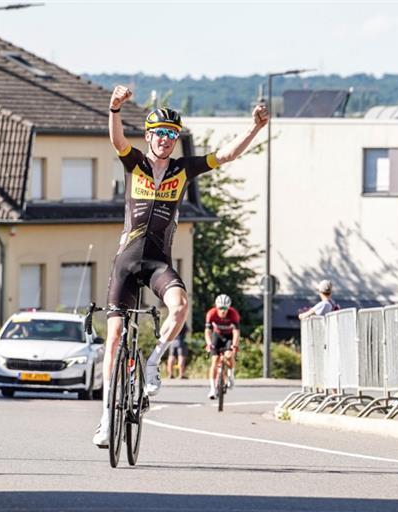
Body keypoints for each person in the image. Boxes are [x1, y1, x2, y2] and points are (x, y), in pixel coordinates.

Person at [92, 86, 268, 447]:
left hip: (158, 263)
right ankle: (106, 418)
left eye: (172, 135)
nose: (166, 141)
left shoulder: (183, 169)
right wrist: (113, 108)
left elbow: (227, 154)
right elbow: (116, 139)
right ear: (149, 136)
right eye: (160, 134)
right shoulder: (135, 162)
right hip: (126, 263)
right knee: (113, 340)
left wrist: (255, 129)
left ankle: (155, 360)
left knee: (181, 305)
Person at [204, 294, 240, 399]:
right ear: (216, 307)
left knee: (229, 355)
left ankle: (231, 375)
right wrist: (209, 343)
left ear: (229, 308)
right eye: (220, 308)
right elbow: (207, 331)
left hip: (229, 337)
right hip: (217, 336)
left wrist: (234, 345)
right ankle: (212, 389)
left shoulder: (233, 314)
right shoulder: (211, 314)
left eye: (225, 309)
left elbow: (236, 332)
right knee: (214, 360)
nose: (223, 311)